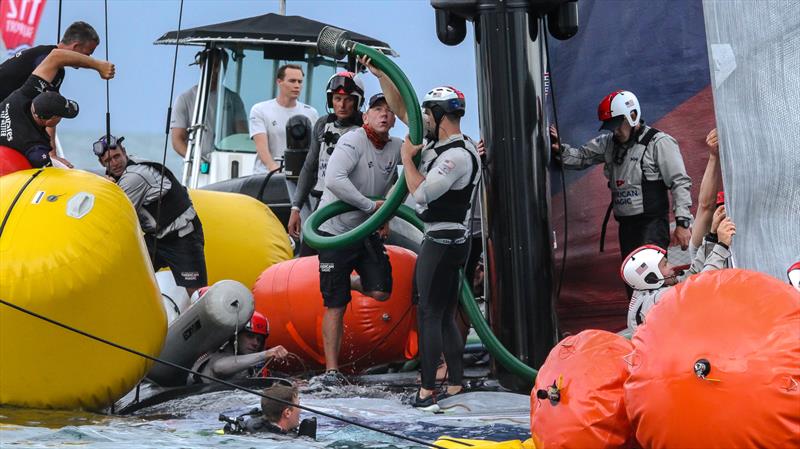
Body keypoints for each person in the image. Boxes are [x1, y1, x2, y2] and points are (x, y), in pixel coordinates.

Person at [313, 92, 401, 385]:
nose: (383, 114)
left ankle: (346, 281)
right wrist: (372, 207)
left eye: (389, 110)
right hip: (335, 231)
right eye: (377, 109)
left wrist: (385, 212)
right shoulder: (352, 140)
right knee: (335, 304)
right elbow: (334, 180)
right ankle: (332, 371)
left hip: (366, 228)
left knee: (382, 291)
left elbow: (419, 166)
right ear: (366, 117)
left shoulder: (398, 147)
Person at [549, 90, 693, 262]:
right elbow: (580, 157)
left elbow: (679, 182)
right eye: (610, 125)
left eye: (617, 124)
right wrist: (560, 149)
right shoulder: (608, 143)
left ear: (632, 115)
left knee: (650, 280)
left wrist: (683, 223)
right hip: (626, 227)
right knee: (632, 281)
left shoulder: (659, 142)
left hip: (652, 227)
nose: (615, 130)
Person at [94, 134, 206, 297]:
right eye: (108, 161)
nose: (114, 163)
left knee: (197, 294)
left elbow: (114, 216)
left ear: (124, 152)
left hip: (183, 237)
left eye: (117, 156)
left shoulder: (134, 177)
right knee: (124, 273)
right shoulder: (120, 174)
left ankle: (203, 320)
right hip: (157, 239)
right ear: (101, 163)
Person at [287, 71, 365, 252]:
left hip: (352, 209)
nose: (342, 105)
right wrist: (296, 207)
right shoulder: (323, 124)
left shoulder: (366, 129)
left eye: (348, 99)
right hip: (321, 206)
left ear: (358, 101)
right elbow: (309, 166)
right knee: (307, 259)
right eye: (337, 99)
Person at [0, 48, 114, 168]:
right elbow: (46, 174)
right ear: (49, 121)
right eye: (61, 116)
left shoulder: (22, 95)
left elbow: (56, 56)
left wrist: (99, 65)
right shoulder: (35, 147)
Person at [621, 212, 735, 330]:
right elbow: (701, 287)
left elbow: (693, 275)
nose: (671, 266)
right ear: (651, 277)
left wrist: (712, 236)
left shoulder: (650, 290)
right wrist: (721, 247)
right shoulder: (659, 299)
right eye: (665, 265)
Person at [170, 48, 248, 161]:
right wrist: (197, 159)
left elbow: (242, 135)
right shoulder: (185, 99)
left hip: (226, 162)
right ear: (202, 66)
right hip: (196, 168)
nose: (217, 71)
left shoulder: (234, 99)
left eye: (222, 67)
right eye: (214, 65)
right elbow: (177, 140)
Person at [0, 21, 99, 101]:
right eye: (87, 54)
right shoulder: (46, 57)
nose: (88, 58)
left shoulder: (57, 70)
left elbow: (49, 110)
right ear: (75, 46)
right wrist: (99, 66)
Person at [249, 64, 319, 173]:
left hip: (299, 177)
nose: (297, 85)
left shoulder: (311, 113)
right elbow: (261, 147)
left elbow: (314, 149)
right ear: (279, 82)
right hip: (266, 176)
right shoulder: (260, 110)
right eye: (292, 81)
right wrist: (274, 169)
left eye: (300, 82)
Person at [190, 311, 289, 383]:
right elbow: (219, 367)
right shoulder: (215, 356)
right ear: (235, 336)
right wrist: (266, 354)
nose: (256, 343)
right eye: (250, 336)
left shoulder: (251, 365)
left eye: (259, 339)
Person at [689, 128, 724, 260]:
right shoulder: (703, 250)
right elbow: (706, 206)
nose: (722, 218)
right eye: (720, 210)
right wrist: (714, 157)